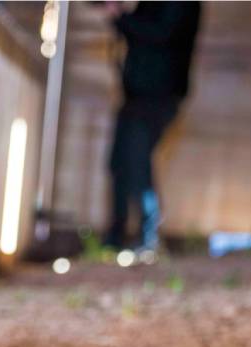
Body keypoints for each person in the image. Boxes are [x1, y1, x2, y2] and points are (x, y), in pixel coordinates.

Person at [102, 1, 201, 254]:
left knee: (137, 165)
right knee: (120, 163)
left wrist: (121, 18)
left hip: (157, 95)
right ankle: (116, 237)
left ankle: (148, 239)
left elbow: (159, 33)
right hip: (137, 94)